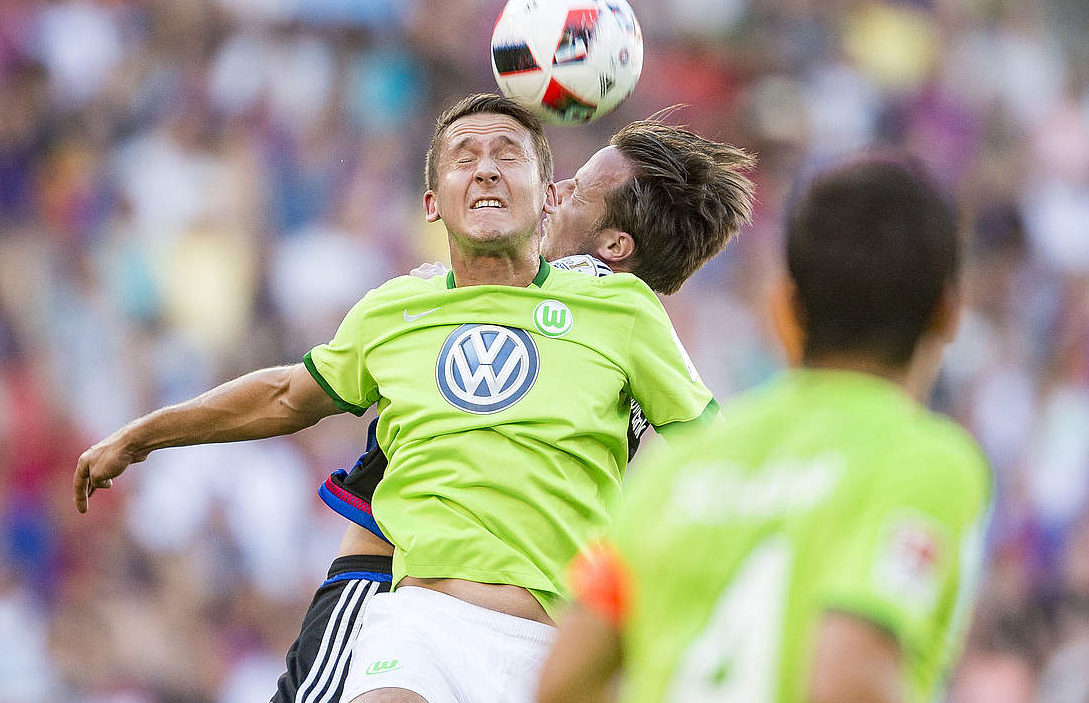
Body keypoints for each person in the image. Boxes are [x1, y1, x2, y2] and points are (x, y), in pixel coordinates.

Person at [72, 93, 755, 703]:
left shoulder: (619, 314)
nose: (491, 172)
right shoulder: (403, 306)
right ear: (433, 201)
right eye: (465, 159)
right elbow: (287, 393)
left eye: (566, 186)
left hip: (547, 640)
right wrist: (144, 435)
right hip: (417, 617)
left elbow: (716, 451)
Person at [279, 113, 757, 703]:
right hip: (473, 603)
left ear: (614, 245)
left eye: (573, 191)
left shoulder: (581, 297)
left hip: (385, 579)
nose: (552, 194)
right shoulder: (630, 329)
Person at [536, 157, 994, 703]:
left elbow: (564, 681)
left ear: (782, 309)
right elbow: (850, 682)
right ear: (948, 314)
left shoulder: (677, 470)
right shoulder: (927, 463)